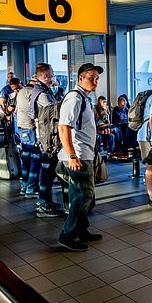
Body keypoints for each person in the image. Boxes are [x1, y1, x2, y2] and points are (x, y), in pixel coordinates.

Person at [57, 63, 104, 252]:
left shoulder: (84, 98)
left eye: (97, 78)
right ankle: (68, 235)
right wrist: (72, 156)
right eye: (91, 77)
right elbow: (63, 127)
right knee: (82, 195)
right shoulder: (75, 98)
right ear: (80, 79)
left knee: (84, 194)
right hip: (78, 155)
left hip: (85, 153)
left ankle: (81, 229)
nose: (95, 81)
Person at [29, 63, 63, 218]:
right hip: (46, 139)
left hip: (44, 136)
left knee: (48, 172)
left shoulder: (41, 90)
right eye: (52, 73)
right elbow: (54, 110)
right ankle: (43, 204)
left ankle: (45, 201)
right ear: (45, 76)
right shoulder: (42, 94)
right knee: (47, 172)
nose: (53, 75)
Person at [17, 76, 39, 198]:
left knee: (26, 157)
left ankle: (25, 186)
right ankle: (31, 188)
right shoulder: (32, 92)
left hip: (22, 126)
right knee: (34, 158)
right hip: (30, 127)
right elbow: (35, 111)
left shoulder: (21, 91)